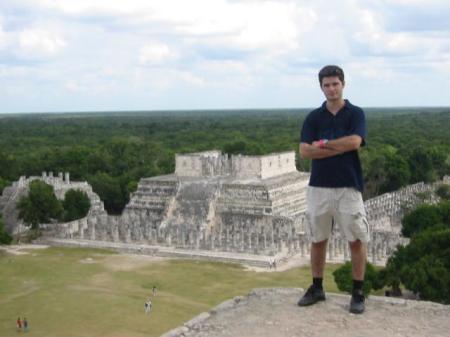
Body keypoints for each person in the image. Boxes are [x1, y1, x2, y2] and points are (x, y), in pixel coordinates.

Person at [298, 65, 369, 314]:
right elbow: (305, 151)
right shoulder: (313, 117)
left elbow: (355, 142)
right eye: (326, 85)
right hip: (319, 186)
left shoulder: (355, 114)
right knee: (318, 239)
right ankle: (317, 287)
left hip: (348, 186)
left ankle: (358, 292)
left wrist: (324, 144)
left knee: (356, 239)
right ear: (321, 87)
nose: (331, 88)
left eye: (335, 84)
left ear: (343, 84)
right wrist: (340, 146)